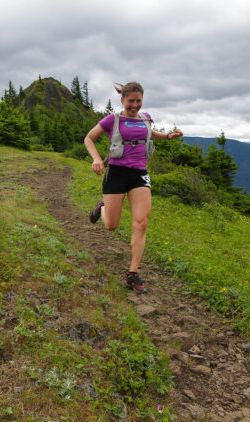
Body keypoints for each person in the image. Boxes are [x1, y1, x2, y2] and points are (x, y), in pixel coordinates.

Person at [84, 81, 183, 294]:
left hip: (139, 174)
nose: (135, 105)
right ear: (122, 100)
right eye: (131, 101)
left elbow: (149, 133)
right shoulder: (114, 119)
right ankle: (101, 208)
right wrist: (96, 159)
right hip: (116, 173)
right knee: (111, 225)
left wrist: (167, 136)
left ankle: (133, 273)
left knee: (141, 223)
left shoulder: (145, 118)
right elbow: (89, 138)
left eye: (138, 101)